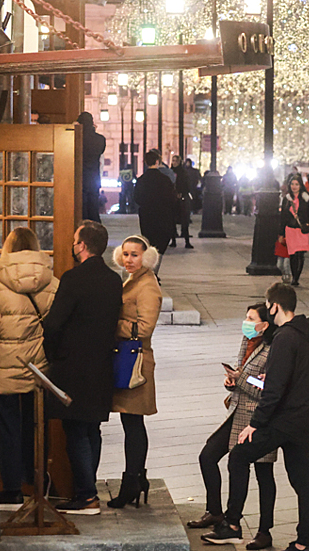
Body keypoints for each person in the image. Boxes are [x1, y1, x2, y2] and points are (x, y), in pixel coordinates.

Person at [203, 284, 309, 551]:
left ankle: (232, 525)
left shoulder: (284, 338)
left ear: (275, 307)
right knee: (303, 480)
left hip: (282, 420)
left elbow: (274, 387)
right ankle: (304, 543)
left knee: (239, 455)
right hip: (305, 419)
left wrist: (255, 424)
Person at [42, 221, 123, 514]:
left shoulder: (73, 279)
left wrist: (53, 355)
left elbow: (54, 324)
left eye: (75, 241)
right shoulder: (114, 280)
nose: (72, 246)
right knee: (92, 429)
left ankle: (86, 495)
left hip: (73, 366)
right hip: (102, 364)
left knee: (75, 430)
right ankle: (90, 489)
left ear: (82, 246)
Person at [0, 227, 59, 508]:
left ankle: (12, 489)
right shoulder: (52, 284)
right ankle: (38, 483)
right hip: (40, 368)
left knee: (7, 428)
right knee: (37, 426)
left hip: (6, 369)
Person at [189, 304, 279, 551]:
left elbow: (267, 390)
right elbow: (242, 375)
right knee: (208, 456)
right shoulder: (247, 341)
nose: (246, 322)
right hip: (236, 413)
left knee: (263, 474)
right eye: (246, 317)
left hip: (258, 419)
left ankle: (263, 530)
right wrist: (231, 381)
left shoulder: (273, 349)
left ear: (265, 324)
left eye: (251, 318)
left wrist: (240, 378)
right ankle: (216, 512)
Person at [108, 235, 163, 508]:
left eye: (135, 255)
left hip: (137, 361)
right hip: (128, 358)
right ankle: (136, 478)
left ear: (147, 257)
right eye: (126, 254)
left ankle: (132, 480)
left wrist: (111, 325)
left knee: (133, 423)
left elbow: (144, 328)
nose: (129, 259)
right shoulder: (133, 280)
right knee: (131, 423)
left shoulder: (147, 285)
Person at [134, 150, 179, 273]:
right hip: (163, 215)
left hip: (147, 215)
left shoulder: (142, 180)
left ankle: (149, 271)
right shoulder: (165, 180)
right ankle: (154, 271)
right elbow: (172, 198)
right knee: (160, 244)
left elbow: (136, 198)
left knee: (149, 242)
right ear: (157, 161)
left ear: (145, 162)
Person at [280, 174, 309, 287]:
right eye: (292, 184)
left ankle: (296, 277)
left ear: (300, 185)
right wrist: (281, 233)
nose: (294, 187)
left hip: (302, 229)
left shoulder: (306, 197)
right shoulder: (287, 199)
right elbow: (283, 217)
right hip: (290, 230)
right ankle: (294, 274)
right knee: (293, 255)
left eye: (297, 184)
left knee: (300, 254)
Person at [77, 112, 106, 222]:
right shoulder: (100, 139)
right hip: (94, 177)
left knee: (82, 208)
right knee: (93, 205)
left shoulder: (77, 139)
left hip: (80, 177)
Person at [169, 155, 194, 249]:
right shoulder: (170, 172)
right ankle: (173, 240)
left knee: (184, 221)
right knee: (172, 221)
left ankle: (186, 240)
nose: (174, 162)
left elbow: (187, 185)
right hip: (173, 199)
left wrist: (182, 193)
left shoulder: (183, 173)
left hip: (182, 199)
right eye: (173, 160)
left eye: (176, 161)